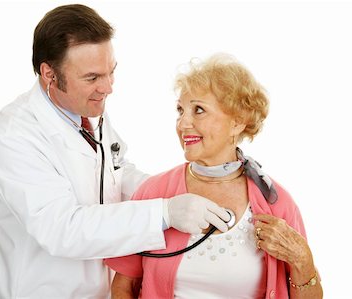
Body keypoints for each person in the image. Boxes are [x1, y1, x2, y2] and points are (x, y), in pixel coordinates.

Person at [0, 4, 231, 298]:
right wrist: (162, 213)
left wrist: (173, 190)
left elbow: (114, 171)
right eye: (92, 78)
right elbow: (62, 229)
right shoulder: (14, 138)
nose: (108, 87)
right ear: (49, 74)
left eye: (111, 72)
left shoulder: (84, 108)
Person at [105, 54, 323, 298]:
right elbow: (123, 286)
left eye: (198, 110)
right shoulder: (153, 192)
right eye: (180, 110)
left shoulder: (275, 202)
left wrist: (303, 260)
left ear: (238, 122)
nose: (183, 123)